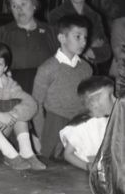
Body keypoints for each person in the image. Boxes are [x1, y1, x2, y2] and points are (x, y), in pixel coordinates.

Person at [32, 15, 93, 159]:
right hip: (55, 125)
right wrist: (42, 134)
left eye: (85, 37)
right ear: (62, 38)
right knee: (55, 166)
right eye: (78, 37)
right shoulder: (47, 68)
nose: (83, 42)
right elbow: (36, 104)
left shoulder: (86, 68)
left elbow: (89, 101)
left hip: (80, 124)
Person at [0, 0, 58, 94]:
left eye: (23, 4)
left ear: (34, 5)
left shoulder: (51, 31)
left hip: (46, 91)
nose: (19, 9)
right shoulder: (2, 32)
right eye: (14, 6)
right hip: (12, 92)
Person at [48, 0, 111, 67]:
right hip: (62, 68)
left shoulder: (95, 16)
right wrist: (89, 48)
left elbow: (106, 51)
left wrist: (77, 46)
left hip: (89, 69)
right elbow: (55, 47)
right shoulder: (56, 14)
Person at [60, 76, 115, 171]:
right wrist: (87, 166)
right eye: (110, 96)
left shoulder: (109, 121)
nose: (115, 99)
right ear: (94, 102)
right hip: (85, 172)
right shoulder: (81, 127)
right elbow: (68, 154)